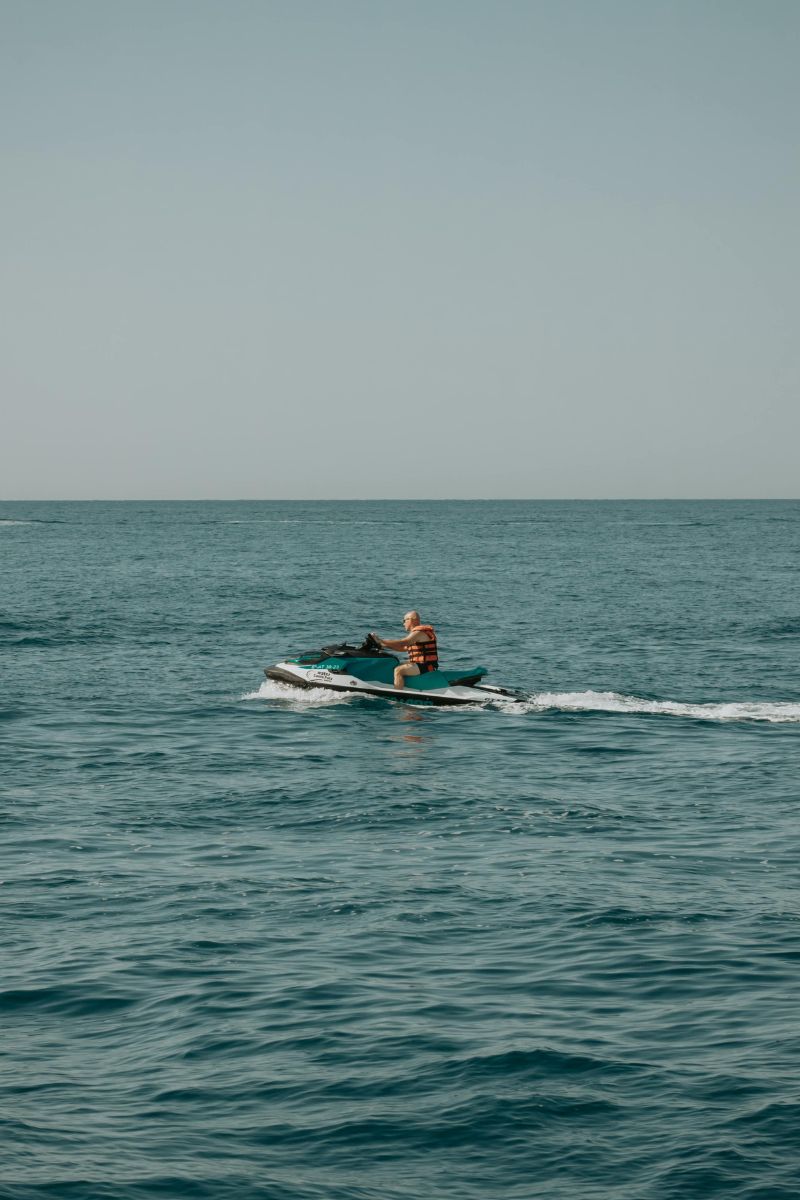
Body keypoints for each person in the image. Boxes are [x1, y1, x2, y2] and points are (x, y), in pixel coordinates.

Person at [372, 611, 439, 689]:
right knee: (395, 664)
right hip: (421, 664)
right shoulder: (416, 634)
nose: (403, 623)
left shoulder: (418, 633)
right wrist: (383, 645)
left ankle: (397, 693)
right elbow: (403, 648)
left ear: (411, 620)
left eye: (404, 620)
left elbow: (404, 642)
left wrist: (382, 641)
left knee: (398, 670)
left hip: (427, 665)